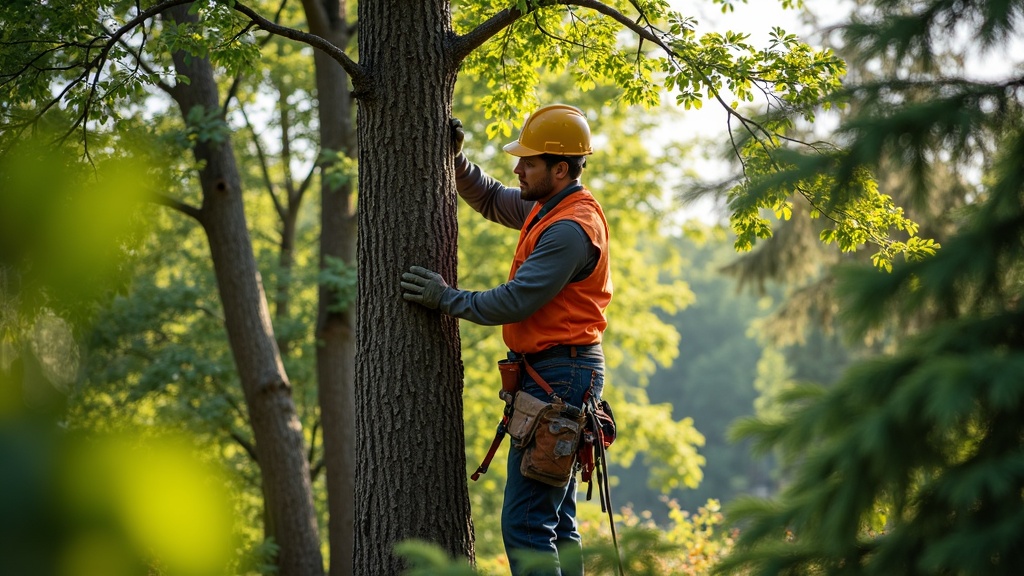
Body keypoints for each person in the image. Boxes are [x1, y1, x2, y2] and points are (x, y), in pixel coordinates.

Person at [400, 104, 612, 576]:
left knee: (527, 524)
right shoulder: (549, 205)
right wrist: (454, 163)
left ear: (561, 169)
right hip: (560, 371)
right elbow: (495, 199)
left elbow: (514, 301)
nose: (517, 168)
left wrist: (444, 298)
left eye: (528, 162)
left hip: (559, 375)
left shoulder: (570, 231)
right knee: (555, 521)